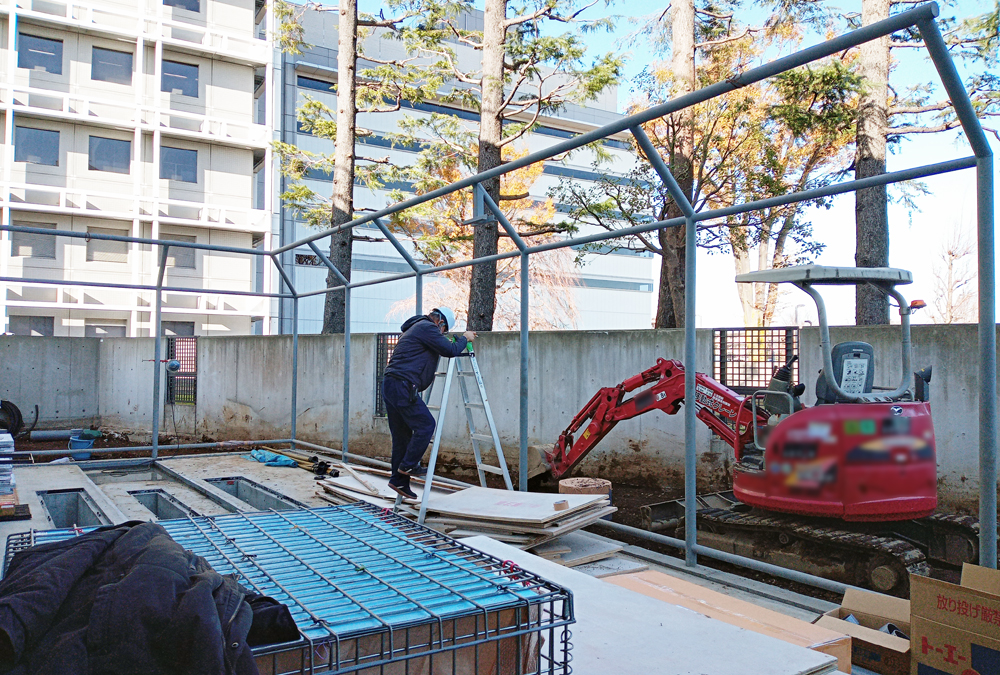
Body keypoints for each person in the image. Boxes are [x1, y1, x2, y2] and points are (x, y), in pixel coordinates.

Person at [381, 307, 476, 500]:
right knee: (426, 425)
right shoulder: (427, 328)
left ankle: (398, 480)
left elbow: (441, 347)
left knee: (402, 437)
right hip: (402, 385)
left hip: (392, 384)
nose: (442, 334)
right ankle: (408, 465)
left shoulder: (415, 328)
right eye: (444, 331)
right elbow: (450, 350)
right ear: (440, 323)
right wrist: (465, 338)